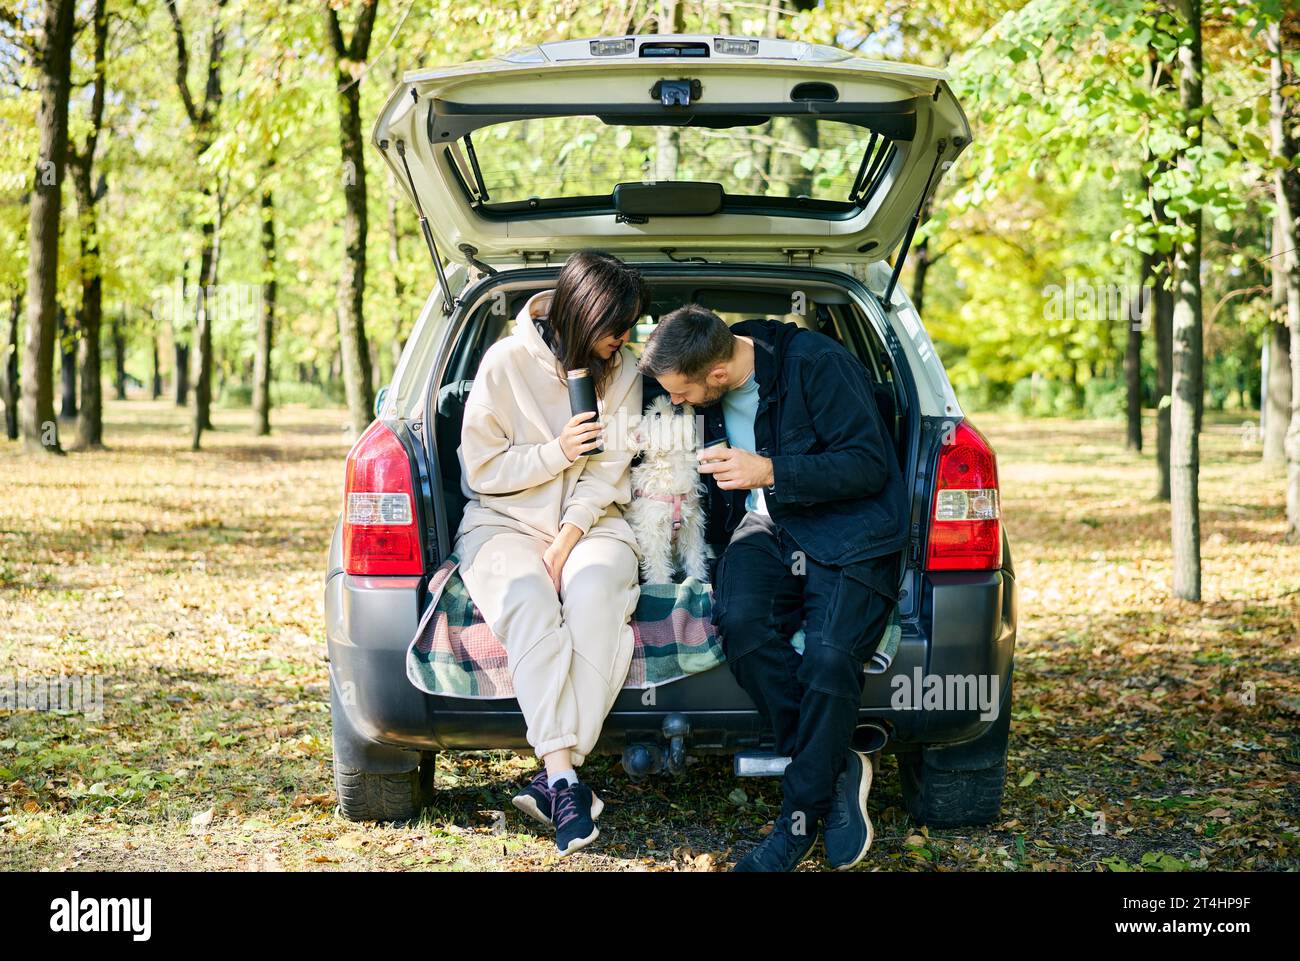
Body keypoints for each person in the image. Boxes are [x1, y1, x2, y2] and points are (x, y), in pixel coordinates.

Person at [638, 303, 908, 872]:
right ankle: (835, 768)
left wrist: (770, 471)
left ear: (717, 374)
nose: (676, 404)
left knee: (831, 658)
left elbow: (868, 464)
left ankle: (797, 820)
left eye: (682, 393)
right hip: (764, 529)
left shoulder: (818, 364)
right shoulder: (702, 384)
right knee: (741, 626)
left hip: (848, 530)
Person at [454, 250, 647, 856]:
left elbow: (610, 471)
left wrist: (568, 538)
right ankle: (565, 775)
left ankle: (554, 777)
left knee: (593, 596)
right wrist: (557, 452)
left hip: (597, 525)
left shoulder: (628, 372)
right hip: (501, 521)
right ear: (581, 316)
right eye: (615, 327)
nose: (623, 340)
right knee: (529, 599)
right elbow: (482, 470)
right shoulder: (504, 364)